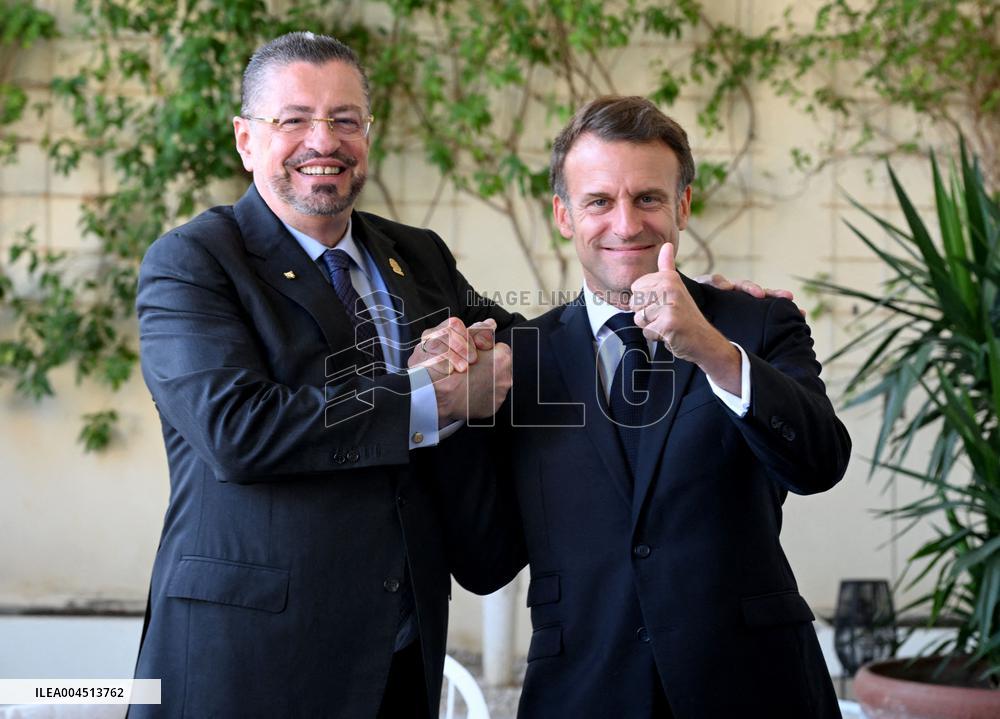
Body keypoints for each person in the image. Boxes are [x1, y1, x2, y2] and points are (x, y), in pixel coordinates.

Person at [131, 32, 518, 719]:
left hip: (399, 657)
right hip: (249, 663)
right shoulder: (194, 262)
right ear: (246, 139)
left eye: (345, 119)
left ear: (368, 133)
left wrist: (664, 313)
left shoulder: (416, 254)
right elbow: (239, 429)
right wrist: (430, 398)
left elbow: (524, 341)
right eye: (295, 119)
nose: (324, 140)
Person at [457, 96, 852, 718]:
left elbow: (819, 464)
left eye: (647, 198)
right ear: (563, 215)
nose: (626, 224)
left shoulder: (757, 322)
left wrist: (713, 352)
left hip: (754, 688)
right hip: (582, 693)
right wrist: (454, 416)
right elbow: (485, 564)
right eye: (598, 201)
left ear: (682, 206)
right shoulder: (520, 359)